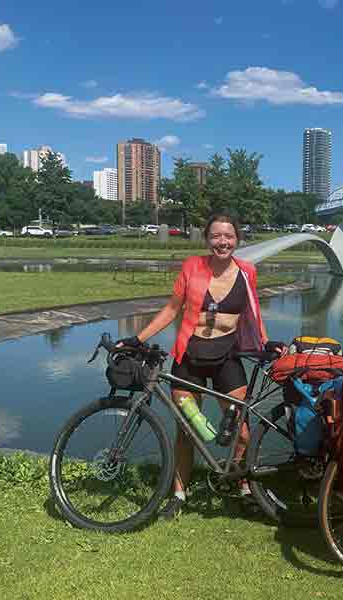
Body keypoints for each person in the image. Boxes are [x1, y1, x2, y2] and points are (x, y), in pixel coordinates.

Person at [118, 214, 279, 520]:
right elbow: (171, 309)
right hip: (189, 355)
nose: (223, 242)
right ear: (207, 239)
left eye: (228, 236)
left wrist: (266, 343)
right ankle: (179, 493)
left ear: (237, 239)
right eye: (216, 236)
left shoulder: (247, 272)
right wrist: (137, 338)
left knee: (241, 432)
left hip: (227, 357)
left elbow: (254, 313)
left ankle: (240, 484)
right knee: (187, 431)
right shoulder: (192, 266)